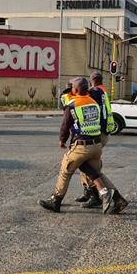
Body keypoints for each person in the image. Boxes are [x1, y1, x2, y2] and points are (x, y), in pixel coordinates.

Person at [39, 77, 123, 214]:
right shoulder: (94, 103)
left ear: (76, 90)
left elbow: (65, 125)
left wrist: (62, 140)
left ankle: (56, 200)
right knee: (96, 173)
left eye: (72, 88)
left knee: (66, 169)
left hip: (82, 146)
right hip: (96, 145)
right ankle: (118, 199)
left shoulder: (73, 105)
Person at [75, 71, 122, 210]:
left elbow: (84, 106)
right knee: (86, 164)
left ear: (92, 80)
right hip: (104, 132)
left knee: (88, 165)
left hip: (97, 133)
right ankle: (89, 192)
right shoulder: (103, 91)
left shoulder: (94, 92)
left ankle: (98, 195)